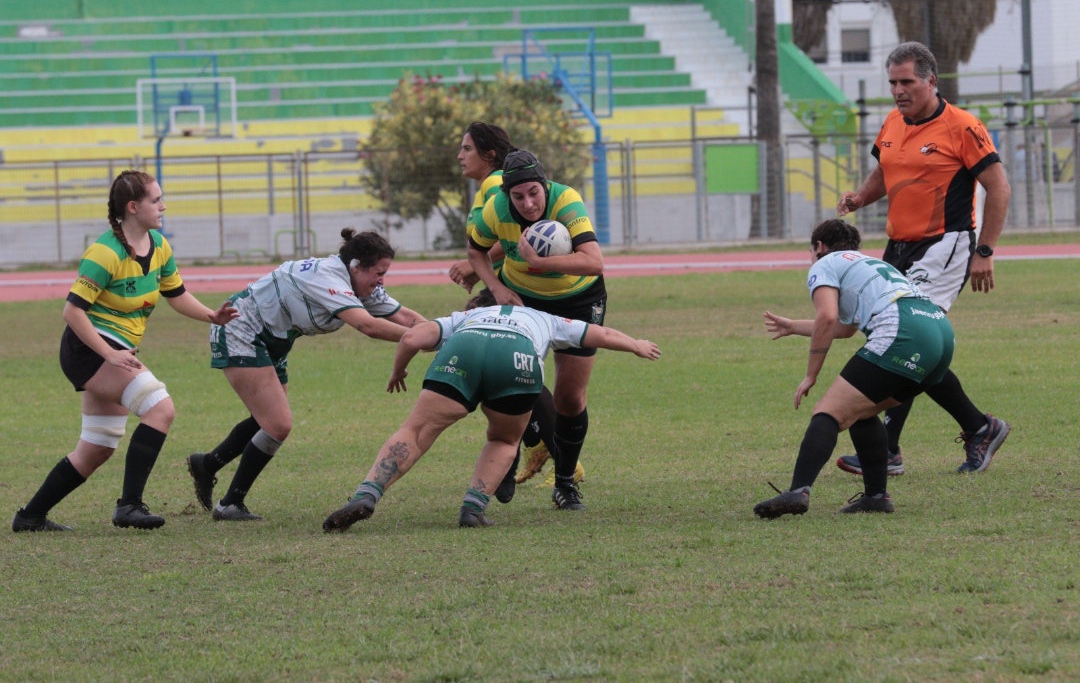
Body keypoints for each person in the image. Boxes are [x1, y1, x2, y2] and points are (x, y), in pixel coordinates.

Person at [322, 288, 661, 532]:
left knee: (415, 431)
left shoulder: (468, 315)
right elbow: (599, 333)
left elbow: (412, 338)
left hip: (465, 346)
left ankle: (367, 494)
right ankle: (473, 509)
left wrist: (399, 370)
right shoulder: (545, 318)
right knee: (503, 440)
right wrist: (636, 345)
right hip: (517, 356)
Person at [12, 171, 239, 533]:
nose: (163, 205)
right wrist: (109, 353)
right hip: (88, 350)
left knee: (98, 446)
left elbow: (176, 294)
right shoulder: (105, 252)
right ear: (133, 208)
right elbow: (72, 312)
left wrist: (212, 315)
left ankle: (29, 516)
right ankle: (129, 506)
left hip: (114, 351)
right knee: (160, 407)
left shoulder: (159, 246)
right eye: (156, 200)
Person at [836, 41, 1010, 476]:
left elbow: (999, 188)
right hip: (898, 245)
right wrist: (860, 197)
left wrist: (984, 251)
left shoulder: (963, 126)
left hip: (944, 246)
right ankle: (976, 427)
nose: (898, 90)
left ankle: (893, 448)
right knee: (893, 338)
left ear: (931, 81)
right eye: (893, 82)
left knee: (905, 338)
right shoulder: (894, 120)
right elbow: (884, 170)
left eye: (907, 82)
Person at [185, 228, 425, 522]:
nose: (382, 281)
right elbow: (369, 326)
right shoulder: (328, 279)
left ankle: (207, 464)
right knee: (277, 423)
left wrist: (448, 334)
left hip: (273, 336)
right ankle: (230, 503)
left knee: (270, 417)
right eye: (379, 272)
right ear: (356, 266)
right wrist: (421, 340)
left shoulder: (358, 284)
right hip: (241, 326)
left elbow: (408, 319)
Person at [754, 220, 959, 519]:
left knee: (828, 413)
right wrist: (794, 326)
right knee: (861, 411)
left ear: (819, 247)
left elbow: (826, 317)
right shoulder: (868, 263)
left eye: (811, 251)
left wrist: (811, 375)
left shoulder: (825, 263)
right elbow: (845, 328)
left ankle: (798, 491)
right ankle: (876, 497)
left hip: (903, 331)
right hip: (940, 333)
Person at [465, 149, 605, 511]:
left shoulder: (567, 201)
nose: (528, 203)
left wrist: (538, 262)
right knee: (507, 377)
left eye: (534, 193)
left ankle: (564, 483)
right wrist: (496, 288)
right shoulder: (495, 208)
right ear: (507, 195)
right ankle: (508, 456)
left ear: (544, 186)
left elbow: (593, 261)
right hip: (523, 298)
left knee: (570, 399)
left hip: (578, 299)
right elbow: (475, 250)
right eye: (518, 196)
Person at [446, 122, 577, 503]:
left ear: (489, 154)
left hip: (516, 290)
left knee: (502, 364)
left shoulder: (498, 185)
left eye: (467, 148)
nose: (460, 155)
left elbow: (512, 239)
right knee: (509, 367)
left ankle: (529, 447)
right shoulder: (492, 188)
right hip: (503, 287)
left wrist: (479, 270)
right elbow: (487, 241)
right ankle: (528, 445)